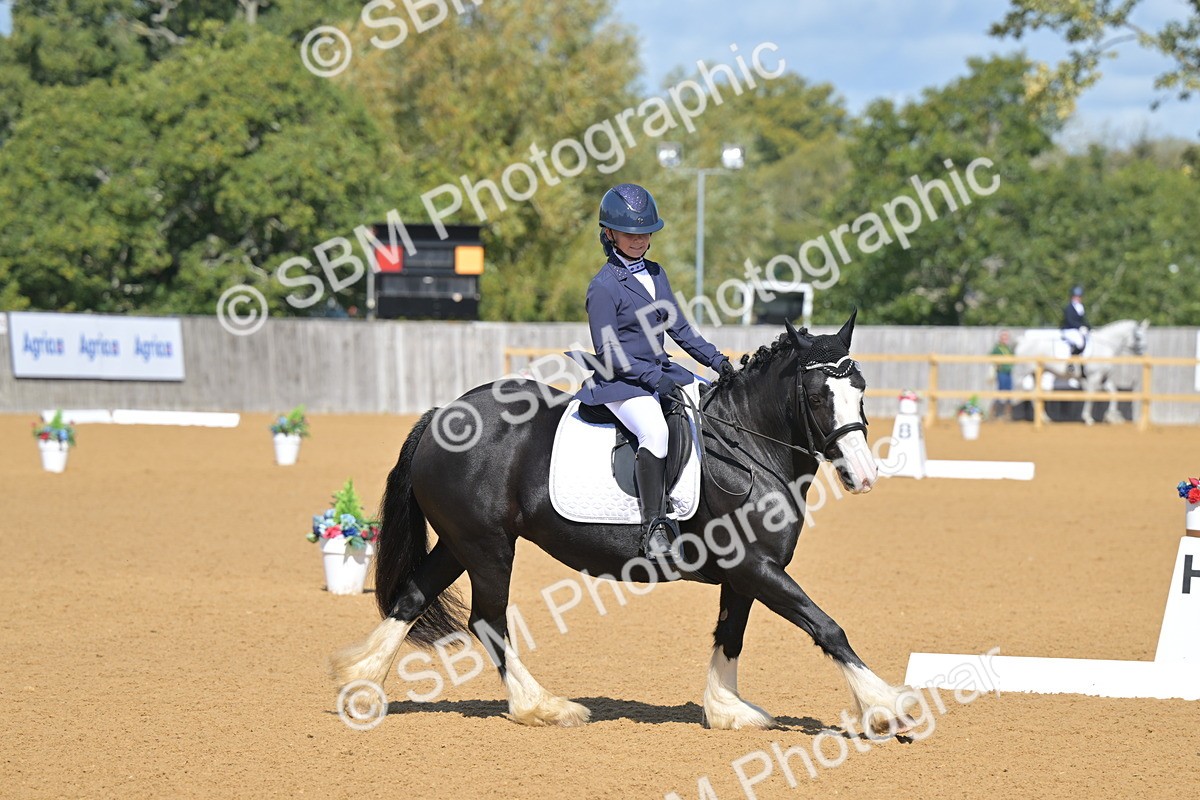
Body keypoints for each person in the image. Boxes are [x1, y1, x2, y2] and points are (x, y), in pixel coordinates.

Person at [574, 183, 735, 558]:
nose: (638, 239)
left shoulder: (656, 273)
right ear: (610, 233)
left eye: (645, 232)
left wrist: (717, 361)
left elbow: (678, 327)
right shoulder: (603, 287)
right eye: (630, 233)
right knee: (656, 431)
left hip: (658, 370)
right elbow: (609, 352)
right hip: (620, 382)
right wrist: (651, 379)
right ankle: (654, 527)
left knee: (712, 402)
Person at [989, 330, 1014, 419]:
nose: (1005, 339)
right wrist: (997, 364)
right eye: (1004, 337)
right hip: (1001, 372)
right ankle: (993, 413)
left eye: (1006, 337)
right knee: (1001, 391)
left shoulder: (1008, 348)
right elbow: (991, 357)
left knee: (1009, 392)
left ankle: (1007, 414)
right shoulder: (997, 348)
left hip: (1008, 372)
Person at [1061, 285, 1089, 356]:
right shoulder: (1069, 308)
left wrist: (1088, 327)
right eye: (1076, 296)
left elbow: (1084, 320)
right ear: (1072, 297)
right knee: (1080, 342)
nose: (1078, 298)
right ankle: (1071, 361)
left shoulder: (1080, 307)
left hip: (1077, 330)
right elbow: (1070, 321)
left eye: (1079, 296)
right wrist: (1080, 327)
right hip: (1069, 330)